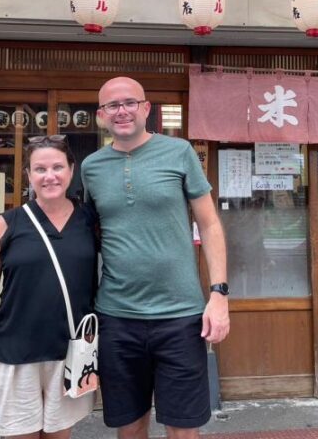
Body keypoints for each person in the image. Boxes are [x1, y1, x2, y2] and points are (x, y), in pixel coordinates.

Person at [81, 76, 229, 439]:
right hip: (117, 316)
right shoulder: (91, 167)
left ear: (146, 108)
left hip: (180, 316)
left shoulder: (178, 153)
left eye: (130, 102)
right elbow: (89, 235)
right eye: (112, 105)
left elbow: (209, 225)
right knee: (129, 424)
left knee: (183, 425)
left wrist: (219, 294)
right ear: (101, 115)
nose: (122, 111)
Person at [0, 135, 98, 439]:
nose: (50, 176)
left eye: (58, 167)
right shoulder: (9, 223)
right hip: (15, 352)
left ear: (72, 170)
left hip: (69, 353)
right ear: (29, 175)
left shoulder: (89, 220)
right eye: (40, 169)